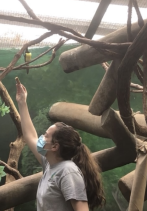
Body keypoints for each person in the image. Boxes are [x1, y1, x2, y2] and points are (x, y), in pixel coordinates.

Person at [15, 79, 105, 211]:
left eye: (46, 135)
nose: (41, 137)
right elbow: (30, 136)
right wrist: (22, 102)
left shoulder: (68, 171)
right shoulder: (50, 164)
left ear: (55, 147)